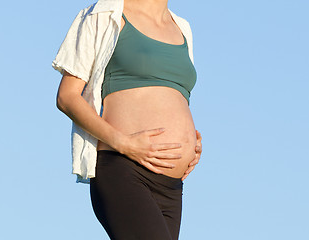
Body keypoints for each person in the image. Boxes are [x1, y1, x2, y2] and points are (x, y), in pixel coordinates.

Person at [52, 0, 202, 239]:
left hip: (171, 186)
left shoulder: (182, 27)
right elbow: (67, 97)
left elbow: (169, 96)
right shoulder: (104, 13)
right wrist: (125, 143)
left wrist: (189, 142)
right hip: (124, 168)